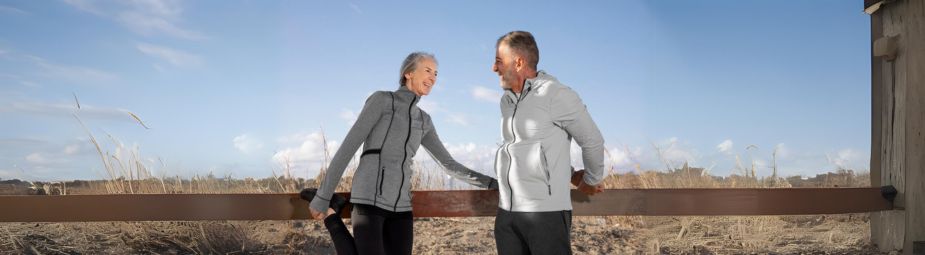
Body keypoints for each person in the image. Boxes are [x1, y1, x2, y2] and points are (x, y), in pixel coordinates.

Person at [303, 52, 499, 255]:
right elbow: (348, 146)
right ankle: (331, 215)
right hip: (369, 200)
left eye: (436, 74)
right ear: (408, 73)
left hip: (402, 208)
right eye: (428, 70)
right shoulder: (382, 101)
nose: (433, 78)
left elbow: (448, 163)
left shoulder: (424, 120)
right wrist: (323, 196)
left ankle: (332, 214)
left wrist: (490, 183)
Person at [491, 31, 605, 254]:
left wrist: (590, 180)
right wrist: (571, 173)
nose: (494, 68)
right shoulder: (506, 101)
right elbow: (532, 148)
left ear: (519, 62)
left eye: (498, 61)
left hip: (546, 214)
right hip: (507, 214)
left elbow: (592, 140)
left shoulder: (556, 94)